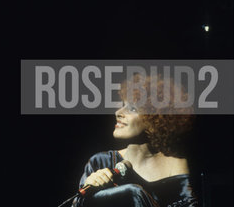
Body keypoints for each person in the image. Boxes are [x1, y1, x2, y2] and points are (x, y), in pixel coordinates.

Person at [72, 74, 198, 207]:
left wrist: (134, 194)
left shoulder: (175, 166)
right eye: (122, 105)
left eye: (132, 109)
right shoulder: (101, 162)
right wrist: (89, 191)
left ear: (155, 117)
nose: (118, 113)